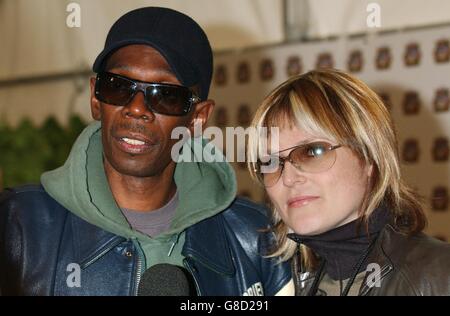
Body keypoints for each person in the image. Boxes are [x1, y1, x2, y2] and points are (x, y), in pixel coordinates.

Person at [0, 7, 291, 296]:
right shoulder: (18, 226)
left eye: (165, 95)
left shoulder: (256, 238)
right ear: (95, 99)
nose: (136, 109)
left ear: (197, 118)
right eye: (117, 86)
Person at [247, 68, 450, 296]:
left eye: (312, 151)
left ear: (370, 158)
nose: (289, 178)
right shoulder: (283, 283)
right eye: (271, 161)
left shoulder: (439, 276)